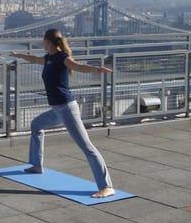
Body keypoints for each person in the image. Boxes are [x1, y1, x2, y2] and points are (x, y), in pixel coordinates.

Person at [10, 28, 115, 198]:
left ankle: (106, 186)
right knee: (36, 125)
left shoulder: (62, 58)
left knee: (87, 147)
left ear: (49, 42)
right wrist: (19, 55)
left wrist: (97, 70)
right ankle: (36, 165)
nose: (42, 43)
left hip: (67, 109)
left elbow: (78, 66)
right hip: (56, 110)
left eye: (43, 40)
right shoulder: (49, 58)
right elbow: (34, 59)